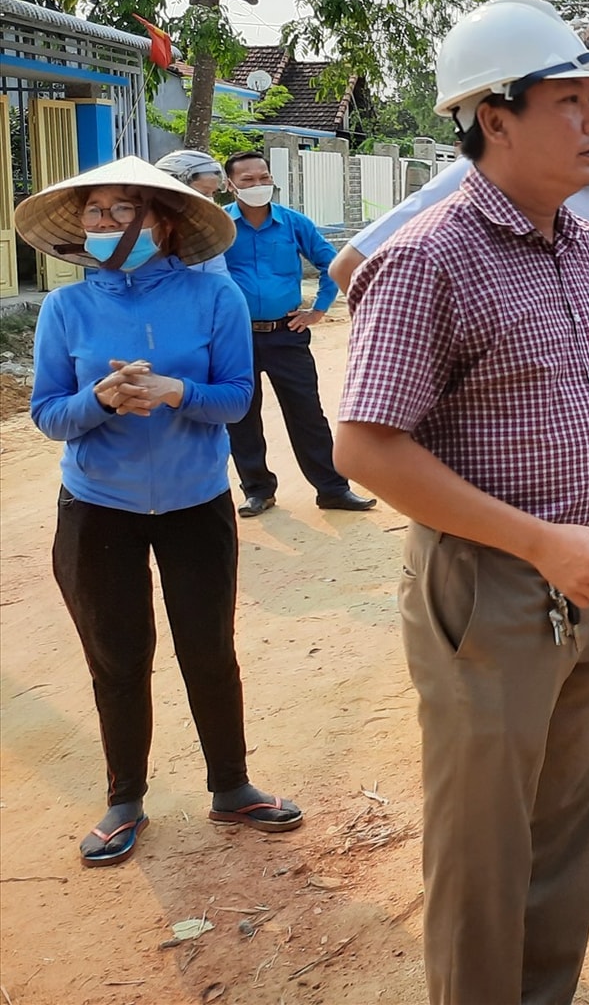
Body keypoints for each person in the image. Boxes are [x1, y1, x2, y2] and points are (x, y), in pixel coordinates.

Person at [333, 22, 589, 935]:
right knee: (488, 840)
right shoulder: (437, 248)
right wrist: (537, 539)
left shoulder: (581, 235)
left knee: (569, 816)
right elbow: (364, 445)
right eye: (577, 102)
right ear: (493, 117)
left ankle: (585, 900)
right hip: (501, 568)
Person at [22, 156, 305, 867]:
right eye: (95, 213)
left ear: (165, 225)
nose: (106, 224)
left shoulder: (216, 301)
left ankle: (232, 787)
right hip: (98, 508)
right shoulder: (66, 308)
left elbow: (238, 399)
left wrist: (178, 391)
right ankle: (125, 799)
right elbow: (48, 415)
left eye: (124, 212)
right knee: (116, 655)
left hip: (194, 503)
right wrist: (101, 401)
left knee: (209, 647)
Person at [220, 149, 373, 517]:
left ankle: (332, 488)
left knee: (307, 413)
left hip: (287, 334)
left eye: (263, 178)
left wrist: (318, 310)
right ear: (230, 185)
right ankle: (257, 489)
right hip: (235, 338)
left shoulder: (294, 223)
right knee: (242, 416)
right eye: (248, 180)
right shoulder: (219, 226)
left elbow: (331, 264)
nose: (258, 185)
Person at [153, 149, 232, 277]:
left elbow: (219, 278)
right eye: (202, 193)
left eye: (212, 194)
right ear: (169, 191)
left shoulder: (205, 236)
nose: (209, 201)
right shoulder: (140, 233)